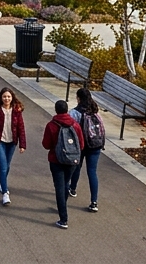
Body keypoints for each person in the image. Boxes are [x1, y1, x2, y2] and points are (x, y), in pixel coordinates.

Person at [43, 100, 86, 229]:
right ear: (67, 110)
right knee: (65, 184)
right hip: (72, 161)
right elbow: (81, 145)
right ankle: (62, 206)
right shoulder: (75, 125)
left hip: (56, 160)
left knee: (59, 187)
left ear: (56, 110)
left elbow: (46, 145)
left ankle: (63, 218)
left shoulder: (51, 125)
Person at [0, 86, 27, 207]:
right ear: (1, 97)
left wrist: (22, 144)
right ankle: (5, 193)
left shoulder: (16, 110)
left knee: (7, 166)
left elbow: (21, 127)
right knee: (3, 167)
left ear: (12, 97)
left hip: (12, 142)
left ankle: (1, 183)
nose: (6, 98)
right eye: (4, 96)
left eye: (8, 96)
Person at [69, 87, 104, 213]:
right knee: (92, 172)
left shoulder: (75, 113)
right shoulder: (95, 112)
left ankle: (72, 189)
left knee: (77, 167)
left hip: (82, 145)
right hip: (95, 146)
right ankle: (94, 202)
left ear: (78, 98)